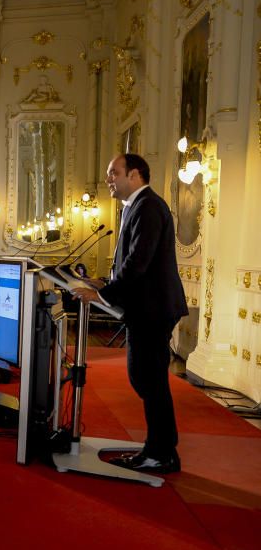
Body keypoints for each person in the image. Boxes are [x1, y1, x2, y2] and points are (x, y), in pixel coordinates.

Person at [72, 153, 188, 473]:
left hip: (153, 308)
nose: (108, 178)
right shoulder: (136, 207)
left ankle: (161, 453)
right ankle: (161, 448)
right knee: (146, 379)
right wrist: (105, 281)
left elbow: (139, 262)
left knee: (148, 380)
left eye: (114, 172)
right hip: (148, 307)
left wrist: (102, 293)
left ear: (134, 175)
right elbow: (133, 265)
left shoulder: (148, 206)